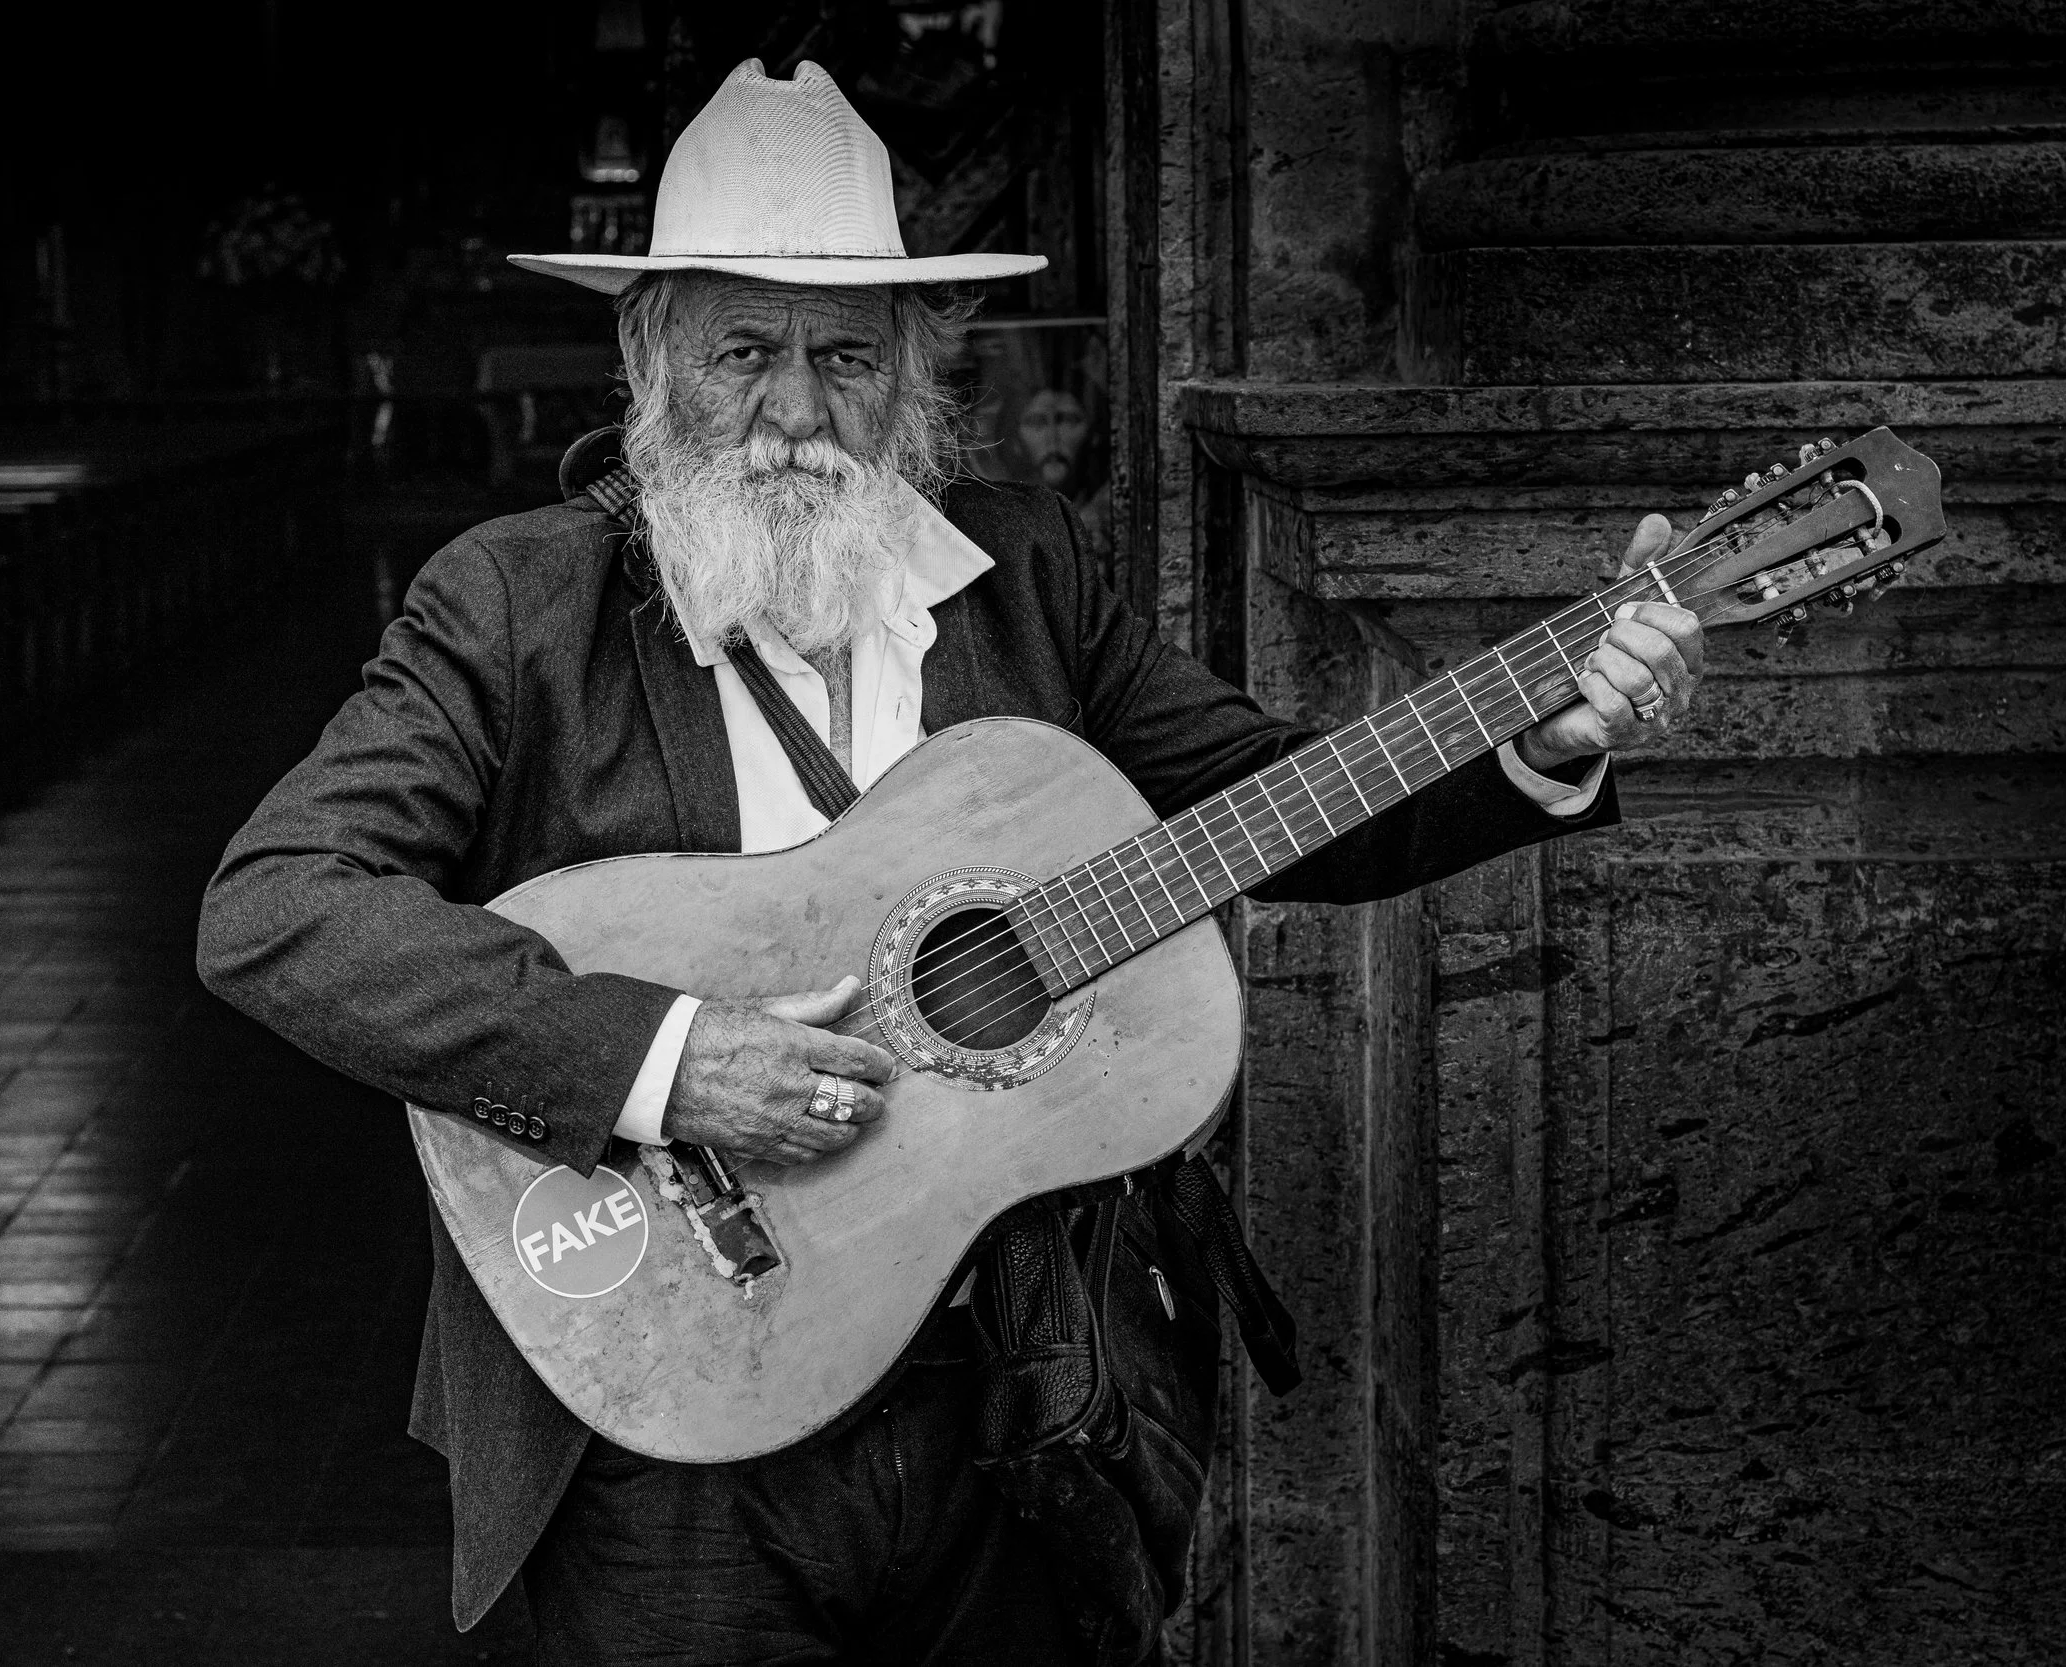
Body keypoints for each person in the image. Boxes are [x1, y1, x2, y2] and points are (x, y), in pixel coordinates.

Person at [196, 58, 1704, 1666]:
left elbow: (1275, 798)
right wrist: (666, 1058)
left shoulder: (1027, 572)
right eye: (744, 352)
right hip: (665, 1415)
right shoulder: (513, 603)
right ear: (647, 355)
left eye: (847, 356)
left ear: (917, 369)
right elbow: (278, 906)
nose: (795, 412)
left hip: (1017, 1399)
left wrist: (1546, 732)